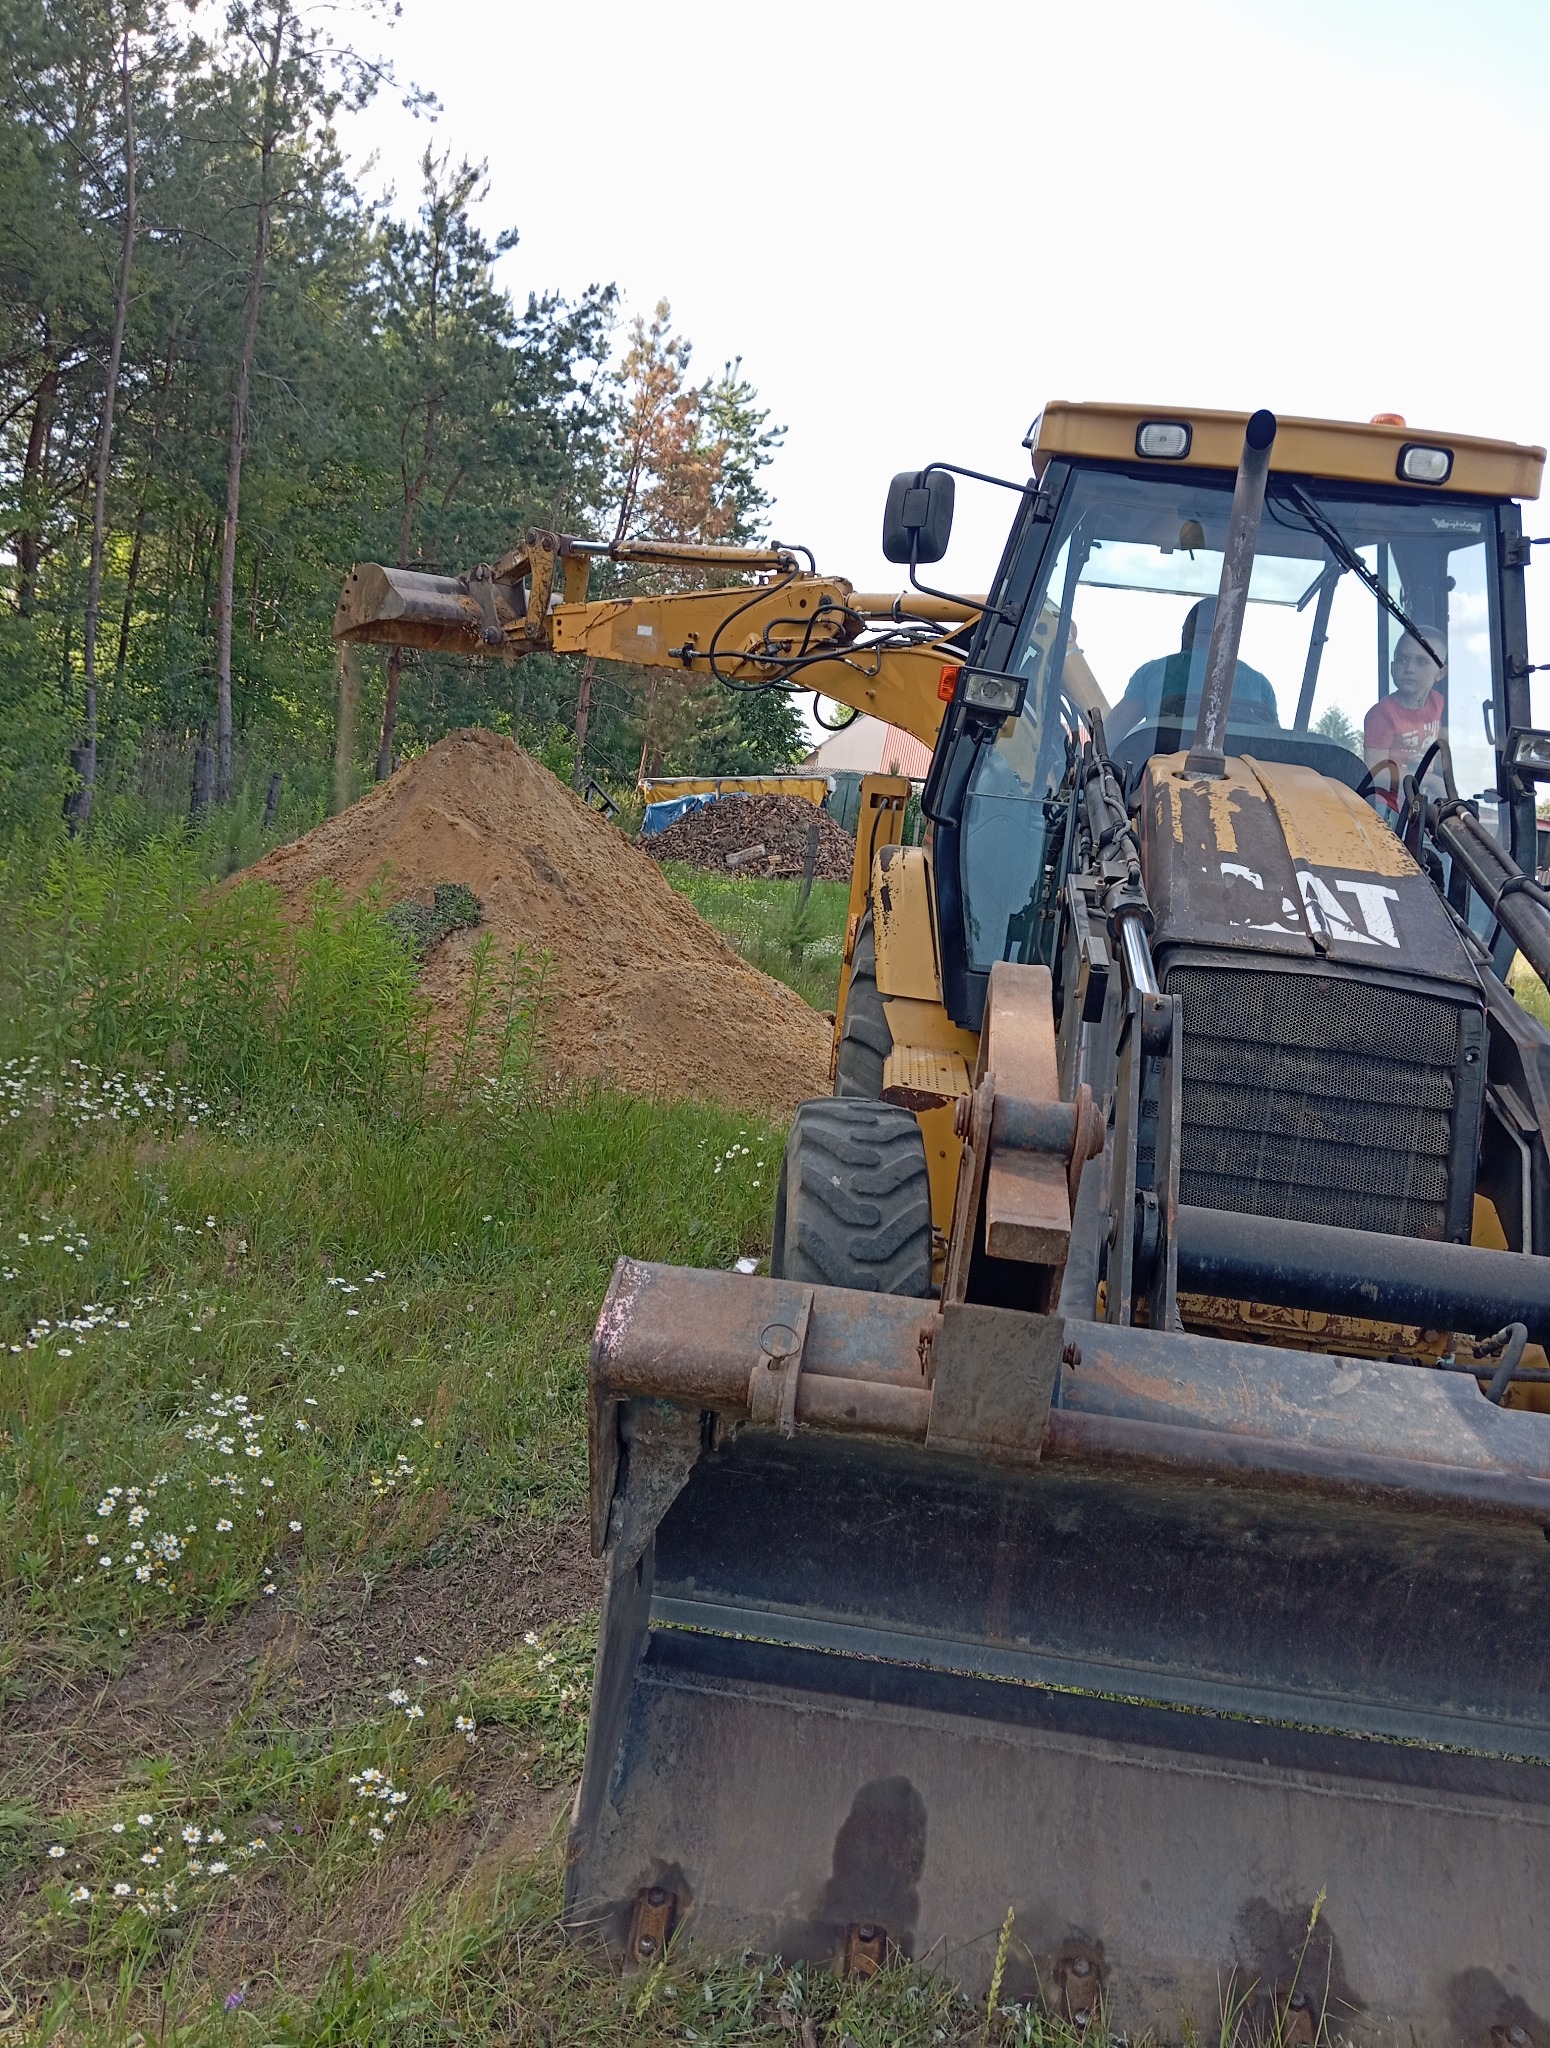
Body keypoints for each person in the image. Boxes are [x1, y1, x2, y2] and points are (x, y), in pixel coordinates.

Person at [1107, 598, 1279, 740]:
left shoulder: (1152, 673)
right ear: (1230, 635)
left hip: (1169, 777)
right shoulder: (1262, 686)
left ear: (1189, 628)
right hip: (1245, 779)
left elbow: (1109, 737)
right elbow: (1275, 747)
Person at [1364, 623, 1446, 818]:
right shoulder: (1382, 715)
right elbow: (1375, 771)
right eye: (1401, 660)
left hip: (1415, 802)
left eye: (1421, 662)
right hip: (1386, 807)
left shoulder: (1437, 703)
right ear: (1392, 668)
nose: (1409, 669)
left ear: (1440, 673)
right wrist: (1431, 781)